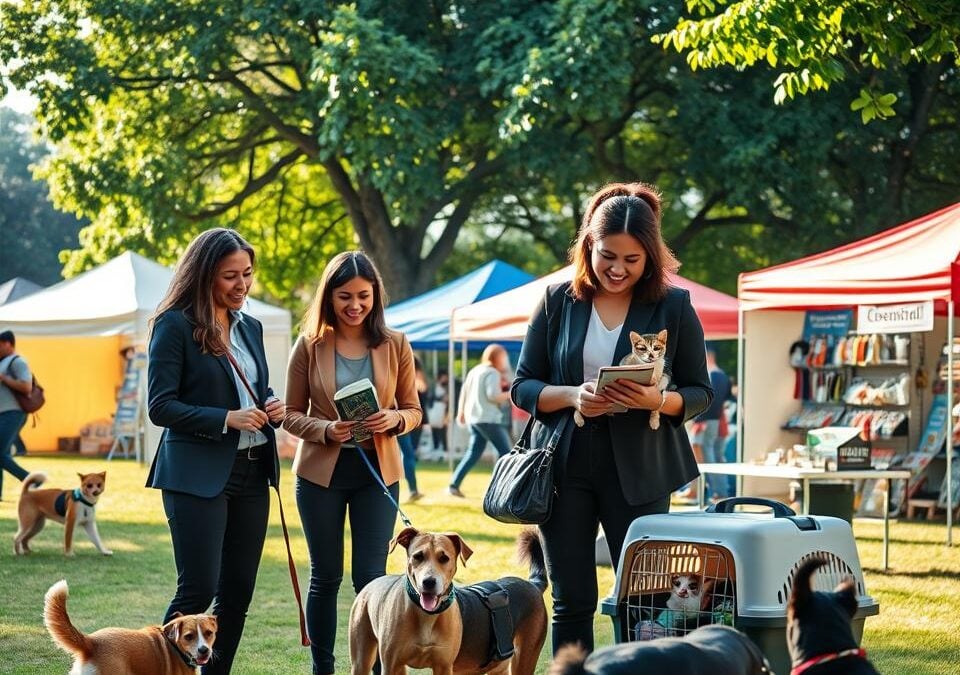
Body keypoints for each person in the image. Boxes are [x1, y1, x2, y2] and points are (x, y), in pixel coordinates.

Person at [511, 181, 713, 656]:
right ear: (588, 247)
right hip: (563, 466)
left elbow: (701, 391)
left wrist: (656, 403)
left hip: (641, 469)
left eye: (632, 259)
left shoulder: (674, 306)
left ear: (650, 258)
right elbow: (524, 385)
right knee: (571, 599)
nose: (617, 269)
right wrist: (571, 396)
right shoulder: (556, 300)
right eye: (608, 256)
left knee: (644, 599)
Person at [146, 228, 285, 674]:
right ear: (205, 275)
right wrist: (227, 417)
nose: (242, 284)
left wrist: (270, 406)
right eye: (230, 276)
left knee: (238, 593)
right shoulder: (174, 325)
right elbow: (160, 406)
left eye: (247, 274)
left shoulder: (252, 326)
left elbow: (251, 389)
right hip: (195, 473)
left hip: (251, 472)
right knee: (197, 590)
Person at [283, 250, 421, 675]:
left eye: (363, 295)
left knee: (371, 576)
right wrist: (326, 429)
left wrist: (393, 418)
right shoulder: (309, 345)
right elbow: (289, 412)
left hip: (377, 473)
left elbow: (413, 409)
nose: (355, 305)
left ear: (376, 295)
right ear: (330, 296)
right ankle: (322, 668)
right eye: (345, 296)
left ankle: (376, 667)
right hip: (321, 474)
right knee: (325, 577)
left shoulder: (395, 343)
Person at [448, 343, 513, 497]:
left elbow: (464, 391)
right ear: (498, 358)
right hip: (489, 419)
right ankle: (500, 491)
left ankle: (453, 485)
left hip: (474, 419)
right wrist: (511, 393)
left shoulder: (475, 371)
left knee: (473, 453)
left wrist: (461, 412)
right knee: (506, 454)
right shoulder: (493, 373)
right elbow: (493, 395)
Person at [0, 330, 35, 498]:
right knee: (2, 454)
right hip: (3, 413)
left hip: (13, 413)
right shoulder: (3, 362)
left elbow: (27, 387)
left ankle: (31, 480)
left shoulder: (18, 362)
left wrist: (4, 378)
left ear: (7, 343)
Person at [697, 346, 733, 500]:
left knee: (709, 455)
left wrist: (700, 419)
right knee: (717, 456)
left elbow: (712, 401)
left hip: (709, 420)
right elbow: (726, 399)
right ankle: (720, 491)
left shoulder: (713, 375)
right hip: (717, 421)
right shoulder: (723, 375)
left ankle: (718, 492)